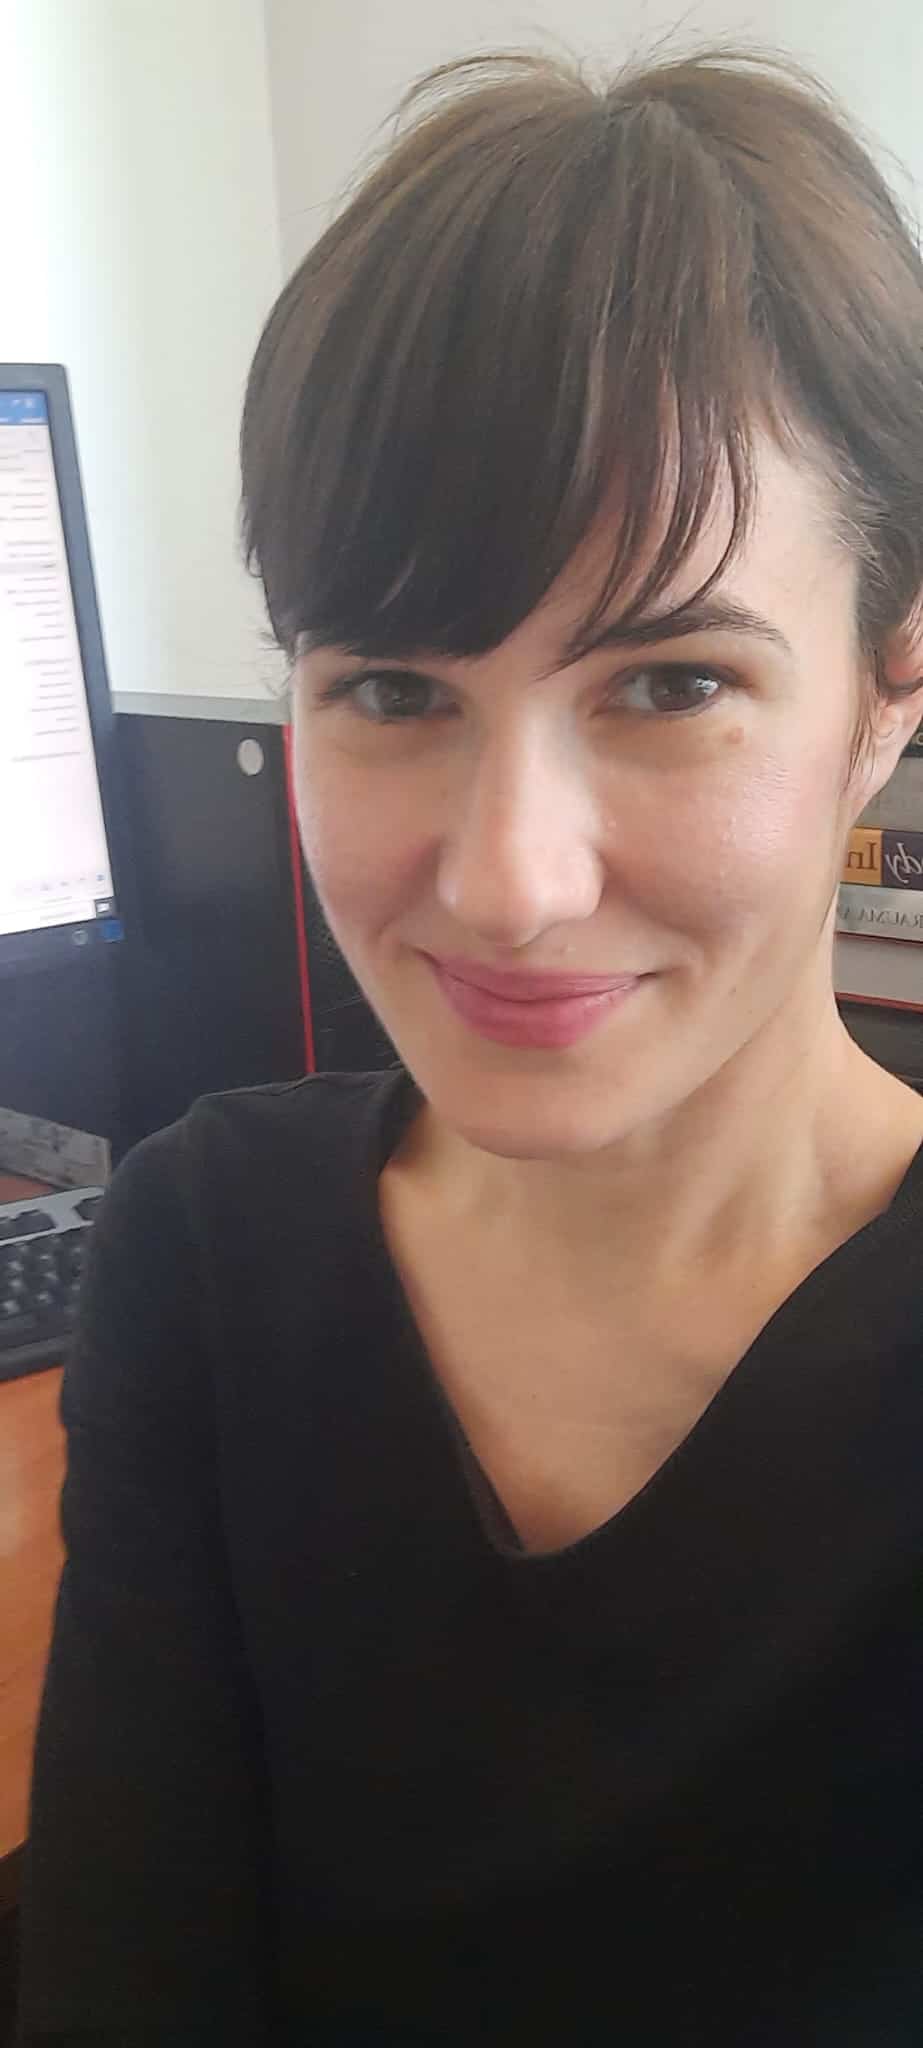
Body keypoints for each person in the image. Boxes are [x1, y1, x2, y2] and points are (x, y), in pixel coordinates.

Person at [18, 42, 923, 2047]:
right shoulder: (208, 1251)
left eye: (670, 683)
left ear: (889, 683)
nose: (511, 884)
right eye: (394, 692)